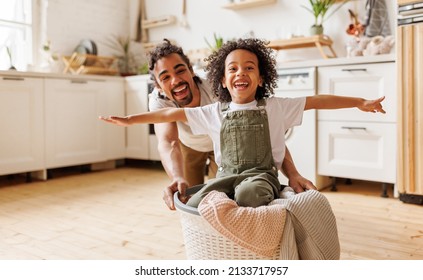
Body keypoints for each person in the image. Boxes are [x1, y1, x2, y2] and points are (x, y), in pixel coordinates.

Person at [100, 38, 385, 208]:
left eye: (249, 68)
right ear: (224, 79)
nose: (241, 73)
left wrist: (359, 101)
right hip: (201, 154)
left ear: (261, 77)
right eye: (233, 69)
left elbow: (313, 103)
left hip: (254, 171)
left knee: (247, 193)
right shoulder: (213, 111)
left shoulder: (269, 106)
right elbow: (168, 130)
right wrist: (131, 119)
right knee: (194, 200)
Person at [146, 39, 315, 210]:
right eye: (165, 77)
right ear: (159, 86)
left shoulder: (218, 88)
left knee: (225, 202)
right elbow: (168, 141)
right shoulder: (158, 102)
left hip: (227, 148)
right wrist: (176, 177)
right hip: (189, 146)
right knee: (190, 201)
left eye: (180, 71)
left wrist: (293, 174)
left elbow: (268, 133)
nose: (175, 80)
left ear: (191, 71)